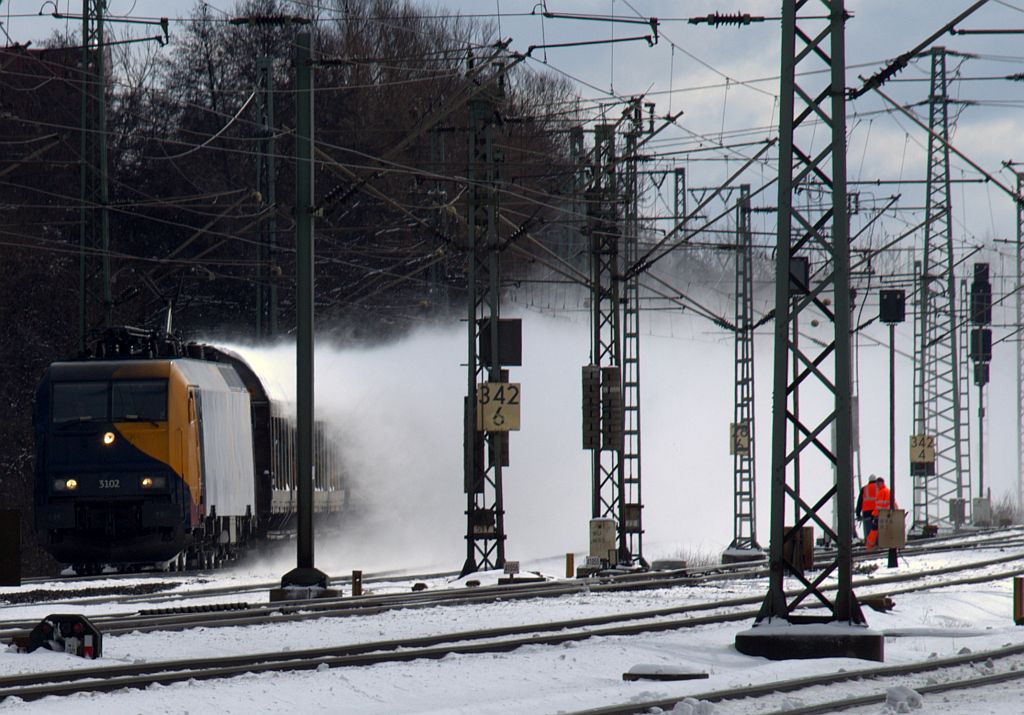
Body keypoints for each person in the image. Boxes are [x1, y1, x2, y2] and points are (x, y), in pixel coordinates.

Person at [866, 477, 895, 550]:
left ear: (881, 483)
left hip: (882, 514)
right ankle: (887, 544)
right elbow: (894, 503)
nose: (876, 485)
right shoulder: (888, 491)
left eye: (877, 483)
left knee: (874, 530)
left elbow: (879, 506)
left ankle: (869, 546)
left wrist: (874, 515)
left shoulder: (881, 492)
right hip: (889, 514)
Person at [855, 476, 878, 541]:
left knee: (869, 532)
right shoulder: (879, 488)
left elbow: (859, 502)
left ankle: (870, 547)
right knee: (878, 531)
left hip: (867, 513)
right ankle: (878, 546)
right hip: (877, 513)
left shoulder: (864, 489)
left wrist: (858, 514)